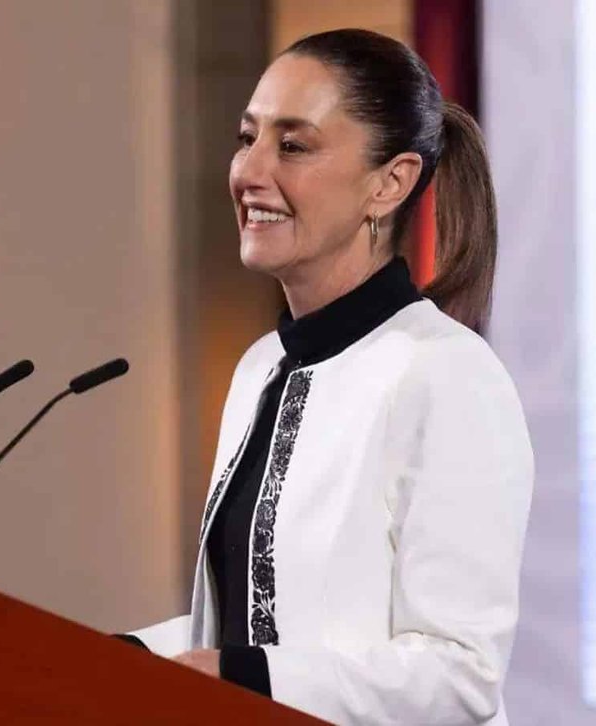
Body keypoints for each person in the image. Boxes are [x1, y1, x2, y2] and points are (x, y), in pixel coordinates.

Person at [116, 29, 533, 725]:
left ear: (390, 183)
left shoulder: (448, 373)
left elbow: (460, 675)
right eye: (246, 137)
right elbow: (263, 624)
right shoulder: (260, 367)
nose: (248, 171)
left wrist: (241, 675)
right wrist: (127, 653)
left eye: (292, 145)